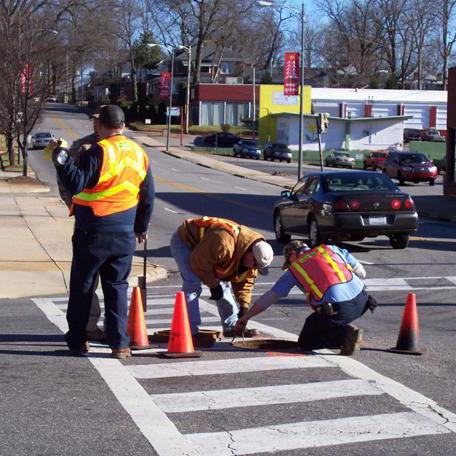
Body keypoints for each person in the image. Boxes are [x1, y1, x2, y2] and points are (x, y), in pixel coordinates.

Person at [53, 104, 154, 359]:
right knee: (117, 287)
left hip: (94, 230)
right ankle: (120, 344)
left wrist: (61, 156)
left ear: (101, 125)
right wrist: (141, 226)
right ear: (123, 125)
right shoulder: (139, 153)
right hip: (125, 232)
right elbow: (148, 195)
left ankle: (77, 341)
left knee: (83, 286)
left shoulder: (99, 151)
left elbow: (76, 183)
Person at [236, 241, 376, 355]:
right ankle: (343, 330)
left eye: (288, 261)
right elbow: (361, 273)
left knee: (306, 342)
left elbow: (270, 297)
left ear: (292, 254)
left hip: (342, 310)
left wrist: (246, 317)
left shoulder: (295, 269)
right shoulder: (329, 248)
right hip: (365, 300)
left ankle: (345, 335)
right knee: (316, 319)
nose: (289, 265)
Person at [170, 216, 274, 338]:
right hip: (187, 241)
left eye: (258, 266)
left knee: (223, 284)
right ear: (249, 252)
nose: (254, 267)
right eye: (255, 264)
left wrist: (244, 306)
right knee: (192, 284)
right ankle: (190, 332)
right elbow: (198, 263)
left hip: (210, 249)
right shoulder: (224, 243)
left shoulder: (253, 254)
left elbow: (245, 280)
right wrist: (213, 286)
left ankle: (231, 326)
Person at [55, 109, 105, 342]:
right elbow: (65, 179)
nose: (96, 126)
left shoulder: (125, 149)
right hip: (87, 222)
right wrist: (74, 206)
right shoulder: (81, 146)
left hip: (115, 222)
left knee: (114, 280)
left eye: (100, 121)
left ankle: (116, 331)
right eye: (94, 122)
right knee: (87, 279)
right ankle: (89, 325)